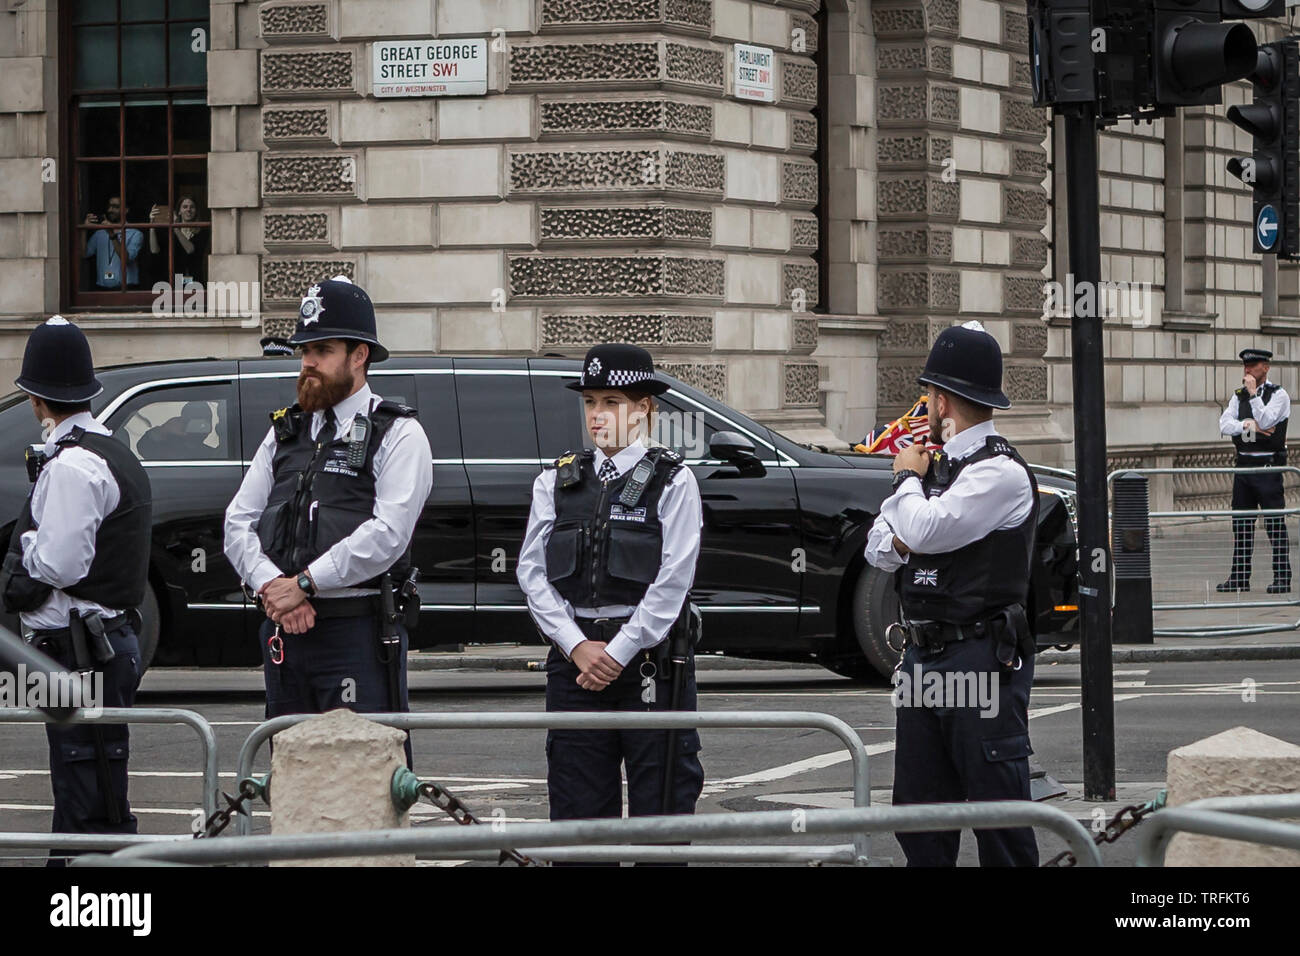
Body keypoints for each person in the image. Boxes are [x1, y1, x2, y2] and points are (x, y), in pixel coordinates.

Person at [222, 277, 432, 762]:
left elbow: (389, 534)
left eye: (322, 349)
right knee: (294, 777)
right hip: (283, 630)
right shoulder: (286, 432)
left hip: (355, 631)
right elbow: (239, 521)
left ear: (359, 355)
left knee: (361, 778)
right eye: (304, 350)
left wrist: (307, 583)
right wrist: (276, 585)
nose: (308, 362)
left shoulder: (398, 432)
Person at [517, 343, 705, 856]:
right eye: (590, 402)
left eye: (613, 402)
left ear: (645, 409)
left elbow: (673, 581)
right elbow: (532, 573)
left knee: (661, 818)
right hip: (575, 665)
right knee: (578, 822)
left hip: (650, 666)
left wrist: (618, 652)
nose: (598, 416)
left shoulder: (673, 479)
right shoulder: (556, 478)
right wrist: (577, 646)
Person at [864, 320, 1040, 867]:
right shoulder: (934, 467)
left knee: (998, 815)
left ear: (941, 399)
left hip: (979, 654)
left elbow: (921, 532)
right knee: (919, 815)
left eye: (929, 396)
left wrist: (905, 485)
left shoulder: (998, 472)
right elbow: (878, 547)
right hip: (922, 655)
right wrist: (913, 515)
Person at [0, 316, 153, 865]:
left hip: (78, 648)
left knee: (88, 795)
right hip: (97, 641)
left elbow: (60, 564)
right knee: (91, 788)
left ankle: (87, 904)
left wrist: (29, 548)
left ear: (37, 399)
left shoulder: (72, 465)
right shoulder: (114, 450)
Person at [1218, 347, 1291, 593]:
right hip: (1244, 467)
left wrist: (1253, 395)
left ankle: (1282, 577)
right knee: (1241, 525)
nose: (1248, 370)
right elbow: (1225, 425)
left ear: (1266, 367)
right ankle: (1239, 577)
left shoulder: (1278, 395)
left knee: (1274, 524)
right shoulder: (1237, 396)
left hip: (1268, 466)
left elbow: (1269, 421)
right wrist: (1249, 426)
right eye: (1245, 366)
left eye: (1253, 365)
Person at [83, 196, 143, 290]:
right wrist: (84, 229)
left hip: (127, 289)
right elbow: (84, 254)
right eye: (109, 206)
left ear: (126, 210)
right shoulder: (99, 233)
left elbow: (126, 259)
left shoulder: (135, 233)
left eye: (115, 206)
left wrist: (112, 234)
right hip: (102, 290)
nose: (110, 210)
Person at [149, 195, 208, 286]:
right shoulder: (169, 232)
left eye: (192, 207)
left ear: (196, 211)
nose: (188, 209)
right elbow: (154, 250)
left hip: (195, 281)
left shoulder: (202, 231)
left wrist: (175, 227)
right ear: (179, 211)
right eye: (185, 207)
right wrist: (151, 226)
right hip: (174, 281)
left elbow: (190, 249)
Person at [136, 400, 214, 460]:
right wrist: (164, 429)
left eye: (204, 423)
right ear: (182, 421)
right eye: (193, 421)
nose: (199, 427)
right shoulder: (167, 447)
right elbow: (143, 447)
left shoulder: (215, 455)